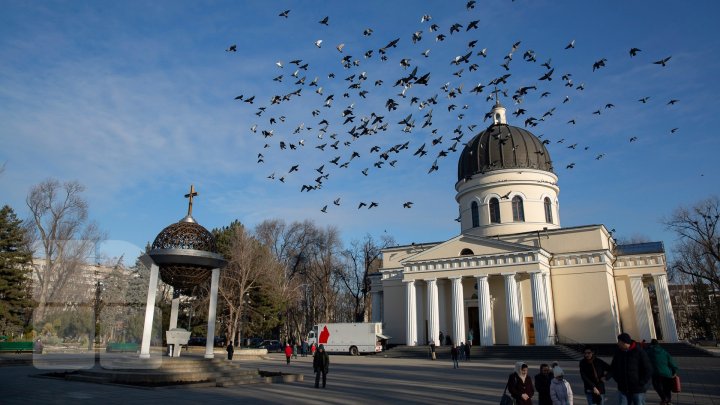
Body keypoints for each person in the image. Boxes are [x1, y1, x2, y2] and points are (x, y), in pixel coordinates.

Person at [611, 332, 652, 405]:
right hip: (623, 388)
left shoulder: (639, 352)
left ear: (624, 342)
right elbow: (613, 367)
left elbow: (648, 369)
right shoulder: (618, 353)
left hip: (637, 389)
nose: (618, 343)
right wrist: (618, 379)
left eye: (619, 341)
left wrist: (641, 383)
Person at [645, 339, 679, 405]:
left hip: (656, 373)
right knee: (667, 388)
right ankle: (668, 401)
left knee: (657, 387)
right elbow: (671, 362)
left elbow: (645, 361)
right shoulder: (664, 351)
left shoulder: (648, 352)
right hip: (667, 373)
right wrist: (674, 371)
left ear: (651, 344)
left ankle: (664, 399)